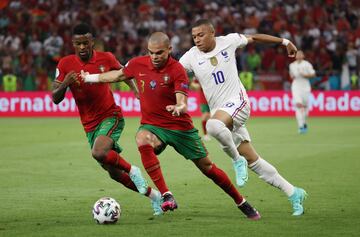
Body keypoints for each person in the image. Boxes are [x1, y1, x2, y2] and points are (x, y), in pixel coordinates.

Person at [81, 32, 261, 220]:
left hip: (180, 128)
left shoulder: (177, 70)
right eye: (151, 53)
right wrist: (89, 78)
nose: (155, 57)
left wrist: (180, 107)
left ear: (169, 50)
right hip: (153, 127)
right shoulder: (137, 64)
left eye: (159, 53)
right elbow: (117, 75)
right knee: (142, 138)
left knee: (208, 168)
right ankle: (166, 194)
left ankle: (241, 202)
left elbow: (182, 100)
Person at [179, 19, 307, 216]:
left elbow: (255, 37)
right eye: (194, 36)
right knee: (254, 161)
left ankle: (236, 161)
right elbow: (172, 71)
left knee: (212, 126)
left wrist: (284, 41)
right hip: (222, 114)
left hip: (238, 103)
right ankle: (293, 192)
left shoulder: (229, 41)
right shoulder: (191, 57)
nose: (197, 40)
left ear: (212, 33)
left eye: (201, 35)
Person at [51, 23, 163, 216]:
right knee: (114, 173)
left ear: (92, 42)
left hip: (111, 116)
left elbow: (125, 73)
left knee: (99, 152)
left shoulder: (106, 57)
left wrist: (136, 90)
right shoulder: (65, 64)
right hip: (89, 125)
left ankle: (133, 170)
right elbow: (55, 98)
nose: (83, 47)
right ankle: (155, 197)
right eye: (78, 44)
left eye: (86, 43)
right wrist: (65, 84)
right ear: (73, 44)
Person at [289, 50, 316, 134]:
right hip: (296, 86)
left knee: (305, 108)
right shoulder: (292, 65)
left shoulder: (307, 64)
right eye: (297, 54)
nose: (299, 55)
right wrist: (292, 76)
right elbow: (291, 76)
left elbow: (313, 74)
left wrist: (305, 75)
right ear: (295, 56)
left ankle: (304, 123)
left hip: (305, 87)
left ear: (303, 55)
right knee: (299, 105)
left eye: (301, 54)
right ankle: (300, 126)